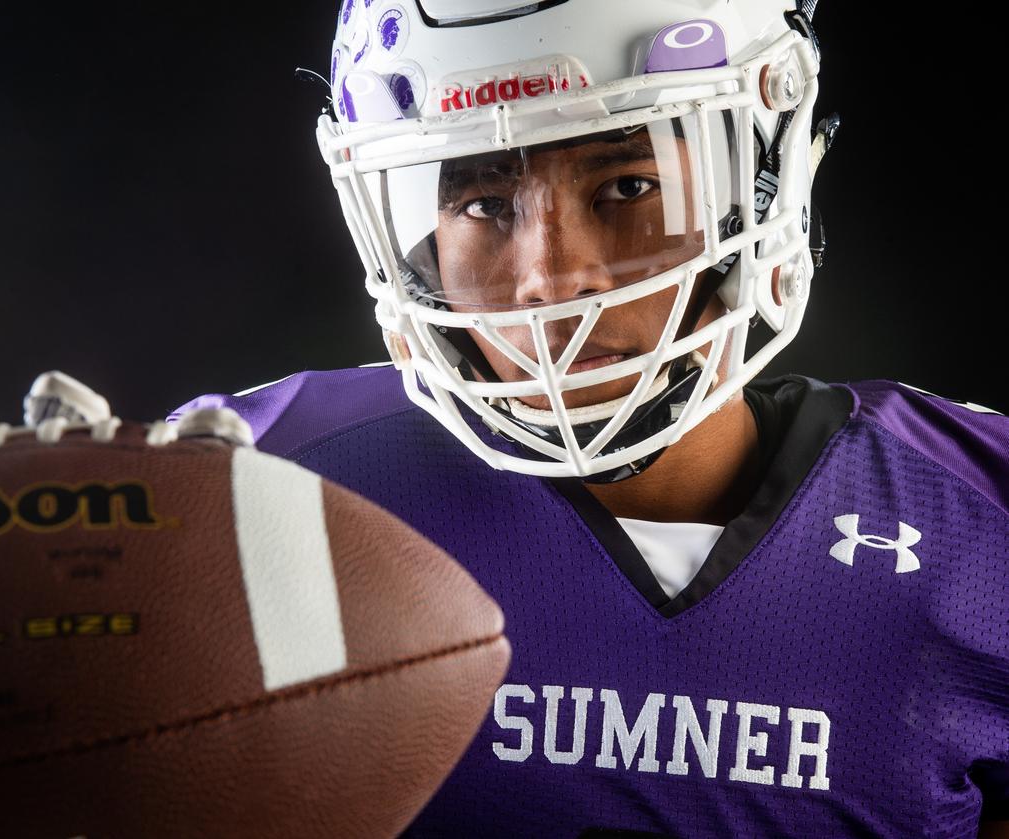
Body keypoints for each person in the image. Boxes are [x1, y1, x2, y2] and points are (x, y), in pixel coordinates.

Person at [172, 1, 1009, 835]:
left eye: (628, 186)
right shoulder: (265, 487)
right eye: (484, 204)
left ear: (762, 183)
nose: (549, 278)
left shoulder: (979, 523)